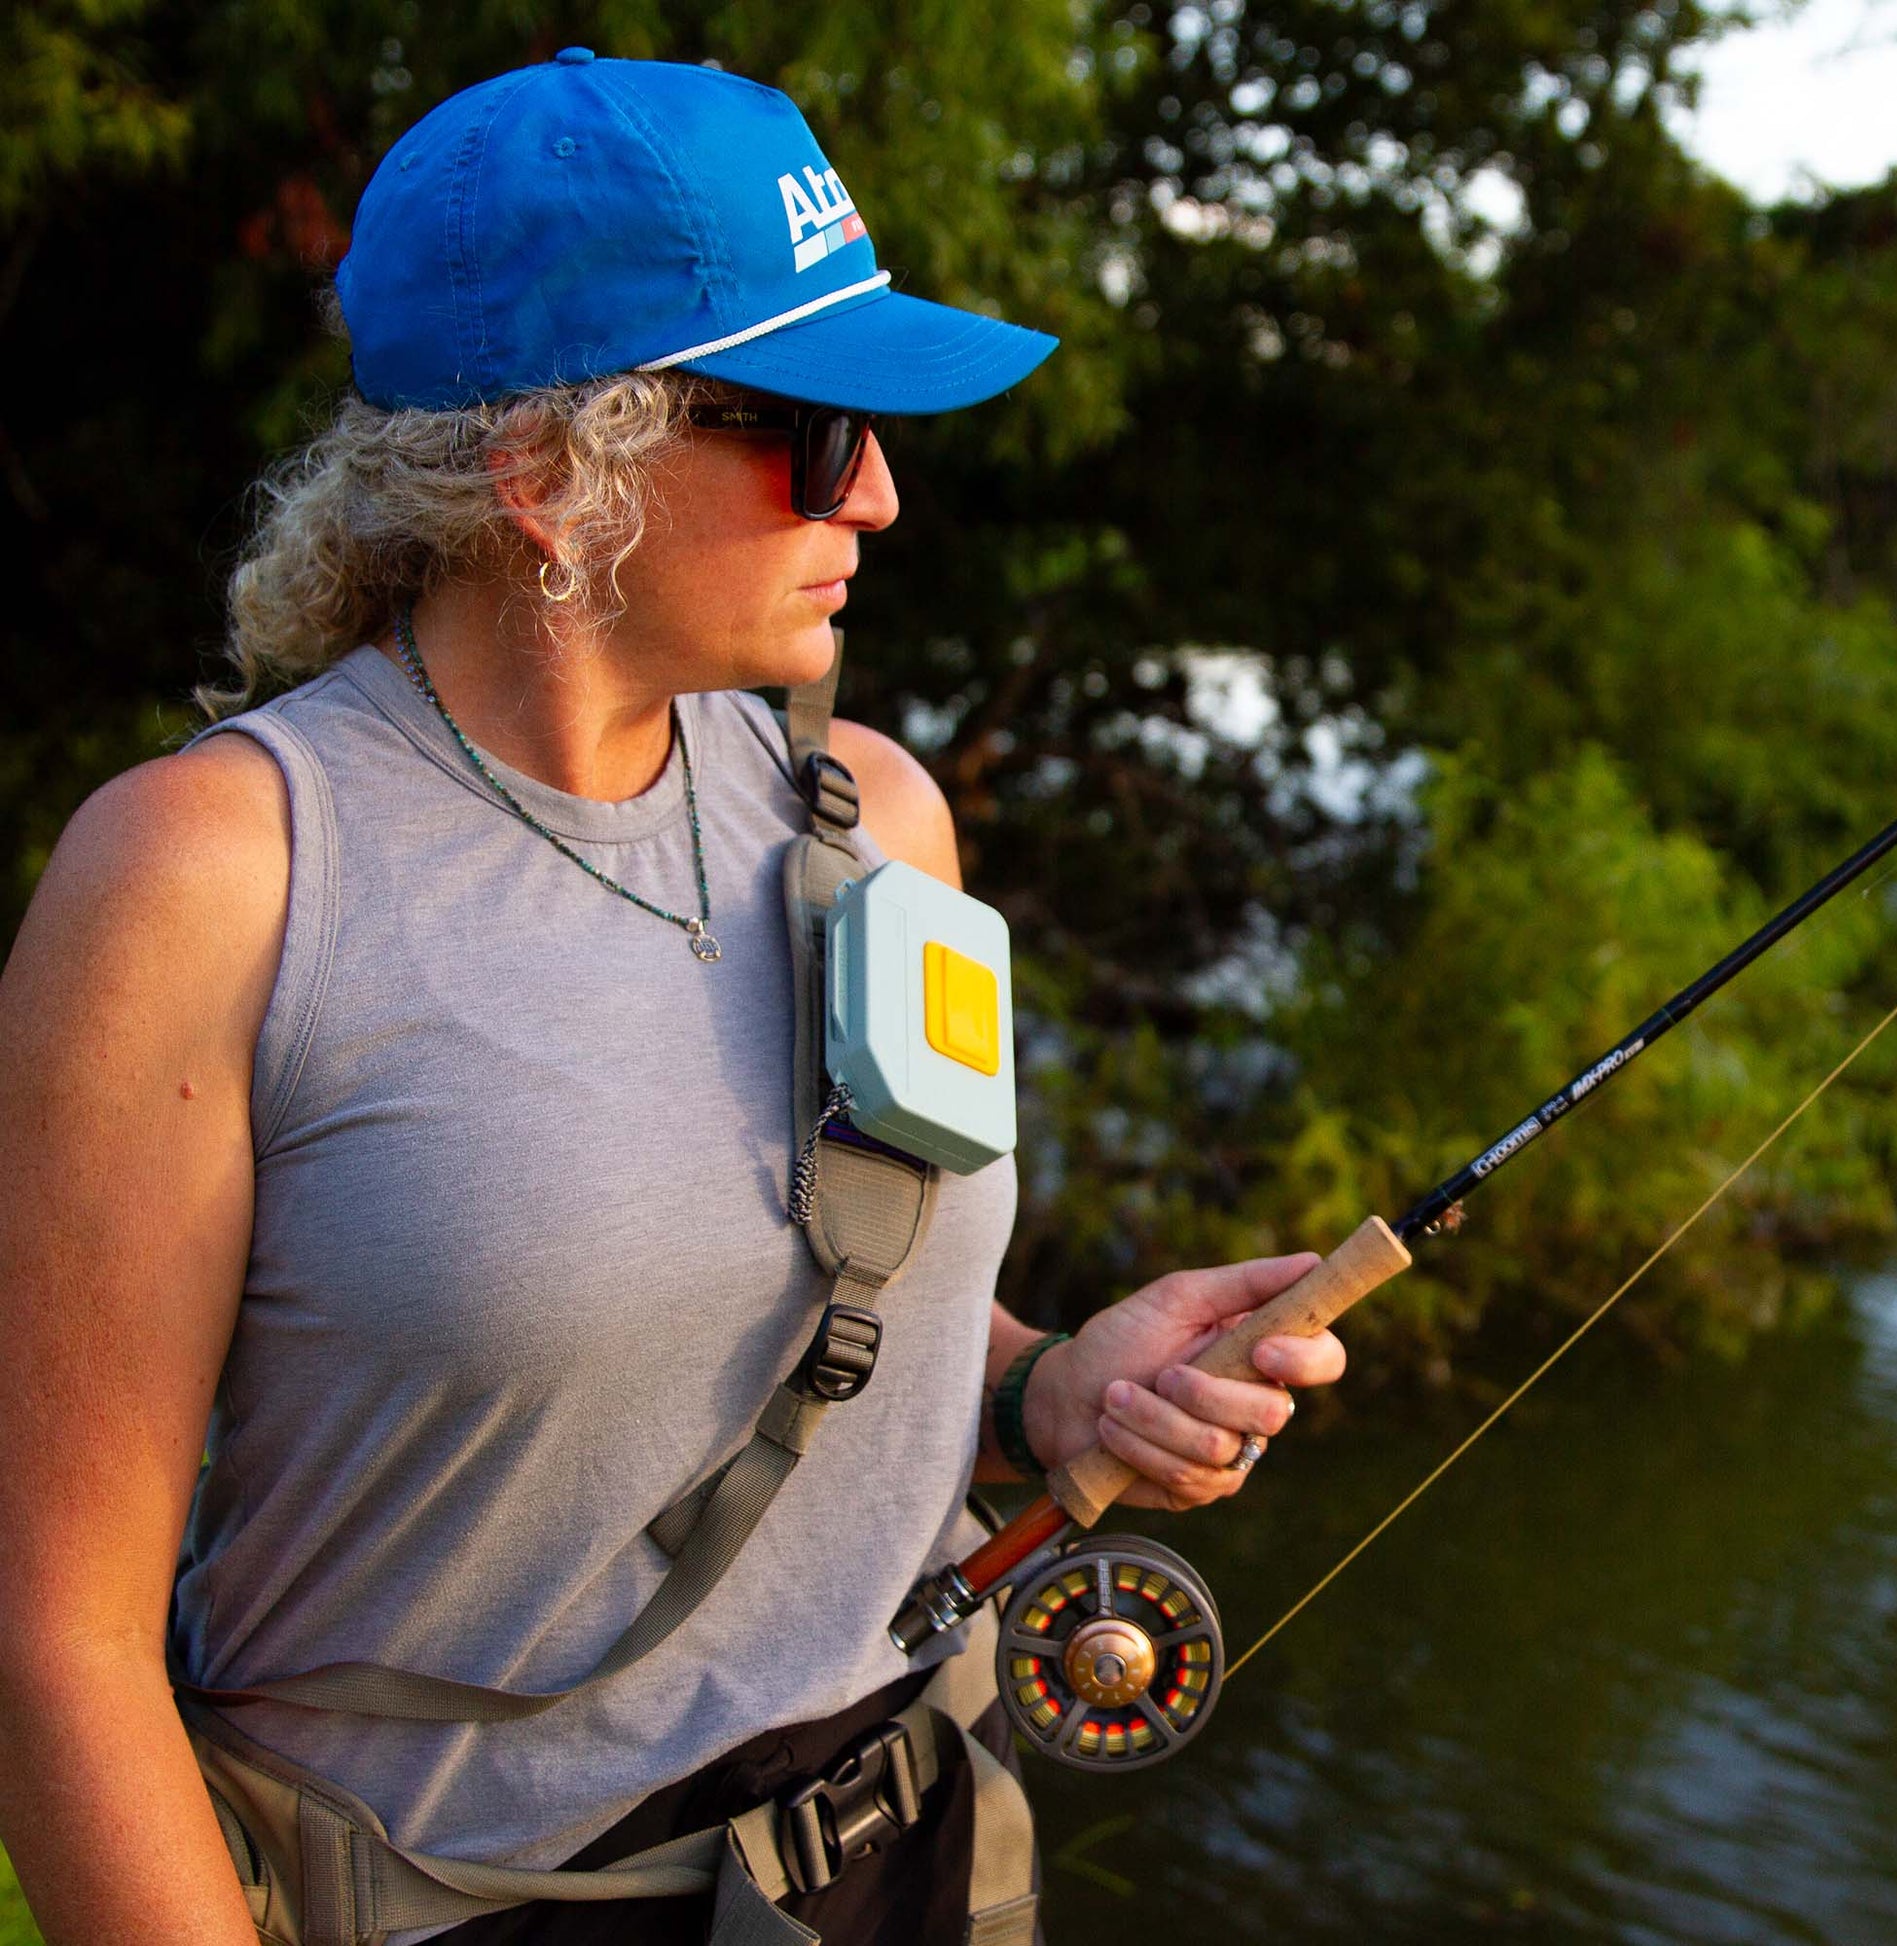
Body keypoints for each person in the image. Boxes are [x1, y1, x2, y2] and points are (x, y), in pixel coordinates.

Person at [0, 51, 1346, 1946]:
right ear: (549, 472)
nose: (877, 492)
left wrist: (1050, 1382)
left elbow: (819, 1319)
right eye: (816, 430)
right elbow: (58, 1638)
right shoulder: (208, 883)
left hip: (927, 1859)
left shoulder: (882, 815)